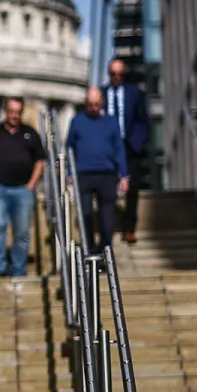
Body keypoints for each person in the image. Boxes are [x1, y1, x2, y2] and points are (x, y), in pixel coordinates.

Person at [0, 98, 47, 278]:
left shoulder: (30, 133)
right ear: (6, 111)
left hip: (23, 189)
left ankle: (18, 268)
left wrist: (32, 184)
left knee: (22, 231)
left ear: (21, 113)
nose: (14, 115)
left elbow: (40, 160)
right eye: (11, 111)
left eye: (17, 112)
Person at [68, 88, 131, 255]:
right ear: (85, 103)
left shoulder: (111, 122)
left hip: (107, 175)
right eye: (90, 104)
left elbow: (119, 149)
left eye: (96, 104)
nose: (93, 107)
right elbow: (70, 148)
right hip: (84, 174)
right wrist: (69, 173)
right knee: (85, 214)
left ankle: (105, 252)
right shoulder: (77, 121)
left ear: (102, 102)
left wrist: (124, 175)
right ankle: (89, 251)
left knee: (107, 218)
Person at [103, 58, 152, 244]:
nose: (116, 78)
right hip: (108, 150)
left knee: (132, 188)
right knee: (108, 188)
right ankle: (108, 226)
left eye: (120, 74)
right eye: (113, 74)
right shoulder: (101, 93)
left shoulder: (135, 94)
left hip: (130, 148)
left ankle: (129, 228)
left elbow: (143, 120)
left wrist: (139, 141)